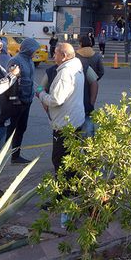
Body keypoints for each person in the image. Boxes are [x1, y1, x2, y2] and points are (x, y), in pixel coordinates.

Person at [36, 43, 86, 178]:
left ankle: (62, 194)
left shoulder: (64, 72)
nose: (53, 56)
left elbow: (56, 99)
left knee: (59, 160)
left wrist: (41, 94)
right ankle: (72, 189)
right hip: (74, 120)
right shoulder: (76, 67)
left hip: (64, 124)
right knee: (71, 159)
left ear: (63, 56)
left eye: (55, 53)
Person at [5, 38, 41, 164]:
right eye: (34, 49)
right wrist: (15, 100)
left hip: (27, 100)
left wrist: (40, 90)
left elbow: (31, 80)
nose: (35, 52)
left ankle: (15, 156)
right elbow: (10, 82)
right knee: (11, 130)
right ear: (28, 49)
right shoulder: (15, 60)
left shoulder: (30, 60)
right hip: (17, 102)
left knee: (21, 128)